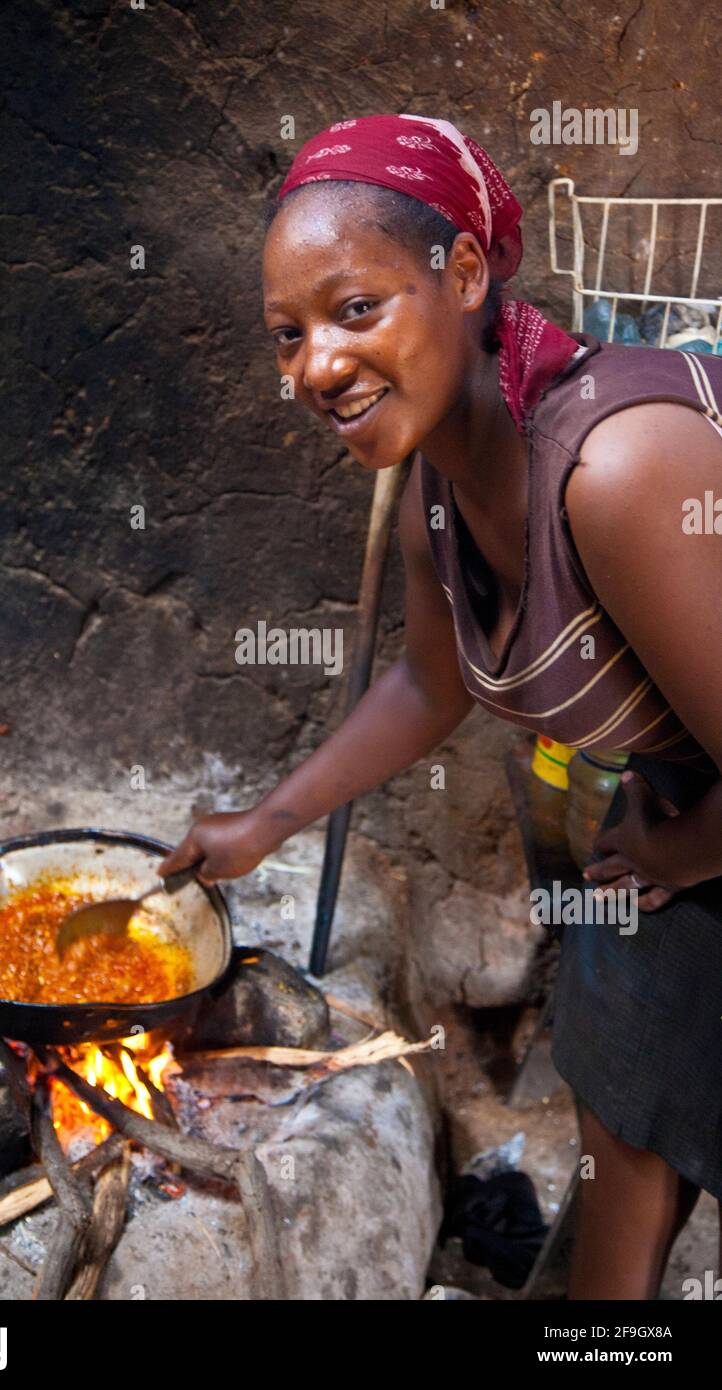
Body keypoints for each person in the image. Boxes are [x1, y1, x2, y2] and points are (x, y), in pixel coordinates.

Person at [158, 114, 722, 1299]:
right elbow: (429, 679)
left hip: (692, 820)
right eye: (289, 335)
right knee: (624, 1105)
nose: (314, 364)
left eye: (354, 309)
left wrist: (679, 842)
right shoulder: (438, 484)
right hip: (688, 803)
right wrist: (261, 826)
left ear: (464, 273)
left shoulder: (617, 471)